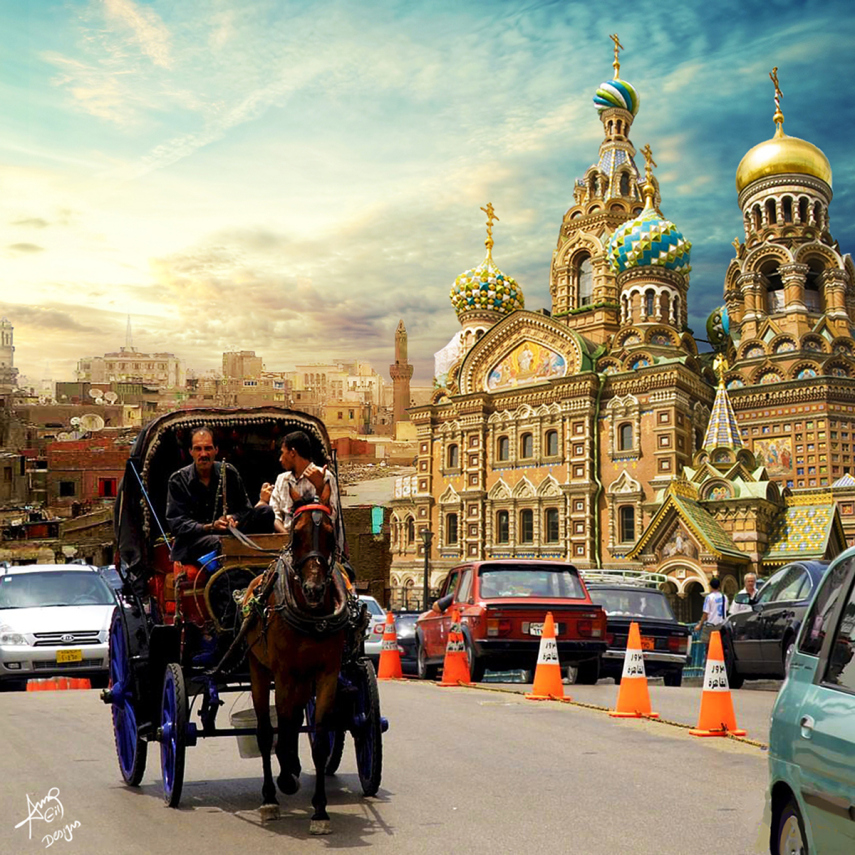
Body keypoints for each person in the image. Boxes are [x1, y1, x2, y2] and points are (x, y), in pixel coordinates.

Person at [166, 426, 275, 565]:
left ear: (216, 450)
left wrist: (233, 518)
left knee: (265, 512)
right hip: (195, 542)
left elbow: (246, 509)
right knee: (219, 542)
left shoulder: (229, 472)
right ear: (190, 452)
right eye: (198, 449)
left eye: (208, 448)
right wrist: (209, 526)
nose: (203, 454)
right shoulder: (178, 480)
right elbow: (177, 523)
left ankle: (262, 565)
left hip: (229, 534)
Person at [265, 430, 341, 539]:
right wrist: (288, 538)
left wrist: (319, 487)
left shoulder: (326, 477)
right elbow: (274, 515)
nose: (280, 459)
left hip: (316, 541)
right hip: (286, 542)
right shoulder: (282, 480)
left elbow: (332, 516)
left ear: (292, 452)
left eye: (283, 452)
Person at [695, 576, 728, 646]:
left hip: (710, 625)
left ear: (711, 586)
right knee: (719, 645)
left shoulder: (709, 597)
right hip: (721, 624)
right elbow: (726, 610)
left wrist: (700, 624)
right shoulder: (724, 597)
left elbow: (705, 613)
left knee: (707, 645)